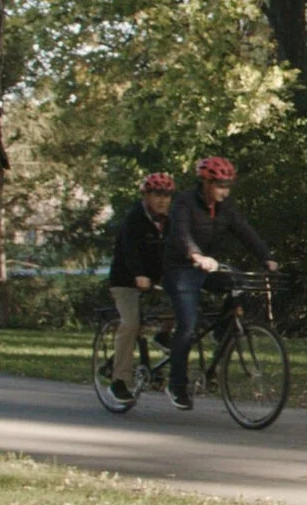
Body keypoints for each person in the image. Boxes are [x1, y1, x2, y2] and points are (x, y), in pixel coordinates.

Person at [164, 155, 278, 409]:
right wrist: (195, 254)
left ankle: (220, 333)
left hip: (208, 266)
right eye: (219, 185)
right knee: (187, 326)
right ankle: (176, 385)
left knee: (241, 286)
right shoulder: (185, 202)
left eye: (227, 186)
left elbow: (245, 231)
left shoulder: (225, 208)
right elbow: (180, 232)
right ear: (205, 183)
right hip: (180, 268)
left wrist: (267, 257)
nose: (224, 191)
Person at [105, 172, 173, 402]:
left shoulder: (170, 221)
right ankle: (120, 381)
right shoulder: (134, 219)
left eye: (166, 195)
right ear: (146, 196)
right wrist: (138, 274)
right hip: (126, 281)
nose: (162, 200)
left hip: (155, 279)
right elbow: (129, 250)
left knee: (184, 301)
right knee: (131, 323)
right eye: (157, 195)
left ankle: (163, 336)